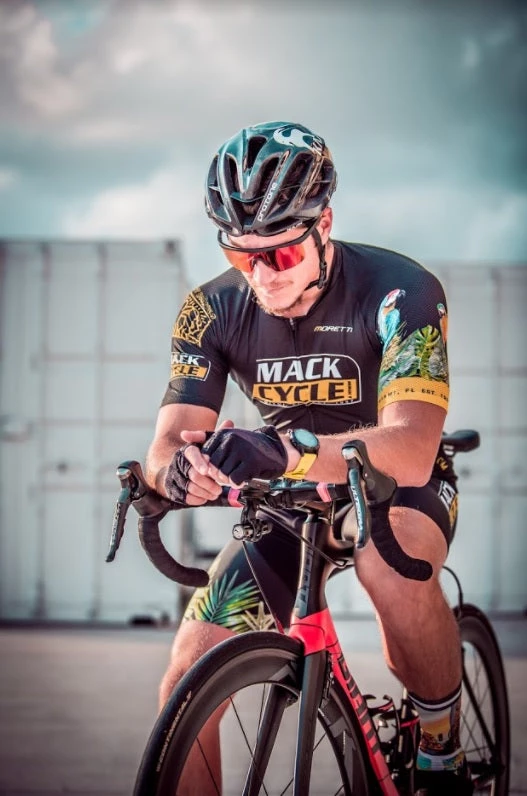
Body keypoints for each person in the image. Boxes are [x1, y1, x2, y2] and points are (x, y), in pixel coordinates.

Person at [145, 120, 472, 795]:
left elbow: (412, 448)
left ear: (324, 224)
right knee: (185, 680)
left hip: (392, 487)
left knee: (387, 569)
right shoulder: (209, 309)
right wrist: (177, 471)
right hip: (290, 500)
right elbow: (168, 442)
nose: (262, 275)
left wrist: (283, 450)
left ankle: (440, 744)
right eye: (243, 256)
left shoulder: (402, 290)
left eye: (282, 253)